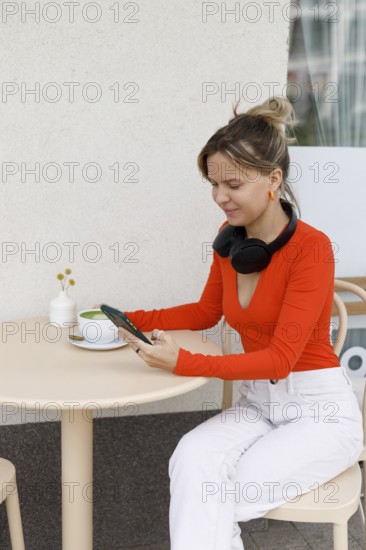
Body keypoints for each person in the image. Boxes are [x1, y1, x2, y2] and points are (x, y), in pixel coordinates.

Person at [118, 96, 363, 550]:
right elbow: (205, 313)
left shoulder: (312, 249)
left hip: (319, 414)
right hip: (257, 406)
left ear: (273, 179)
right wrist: (130, 319)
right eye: (213, 184)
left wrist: (183, 362)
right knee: (190, 459)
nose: (219, 197)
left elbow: (281, 359)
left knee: (214, 495)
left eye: (232, 183)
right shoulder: (230, 245)